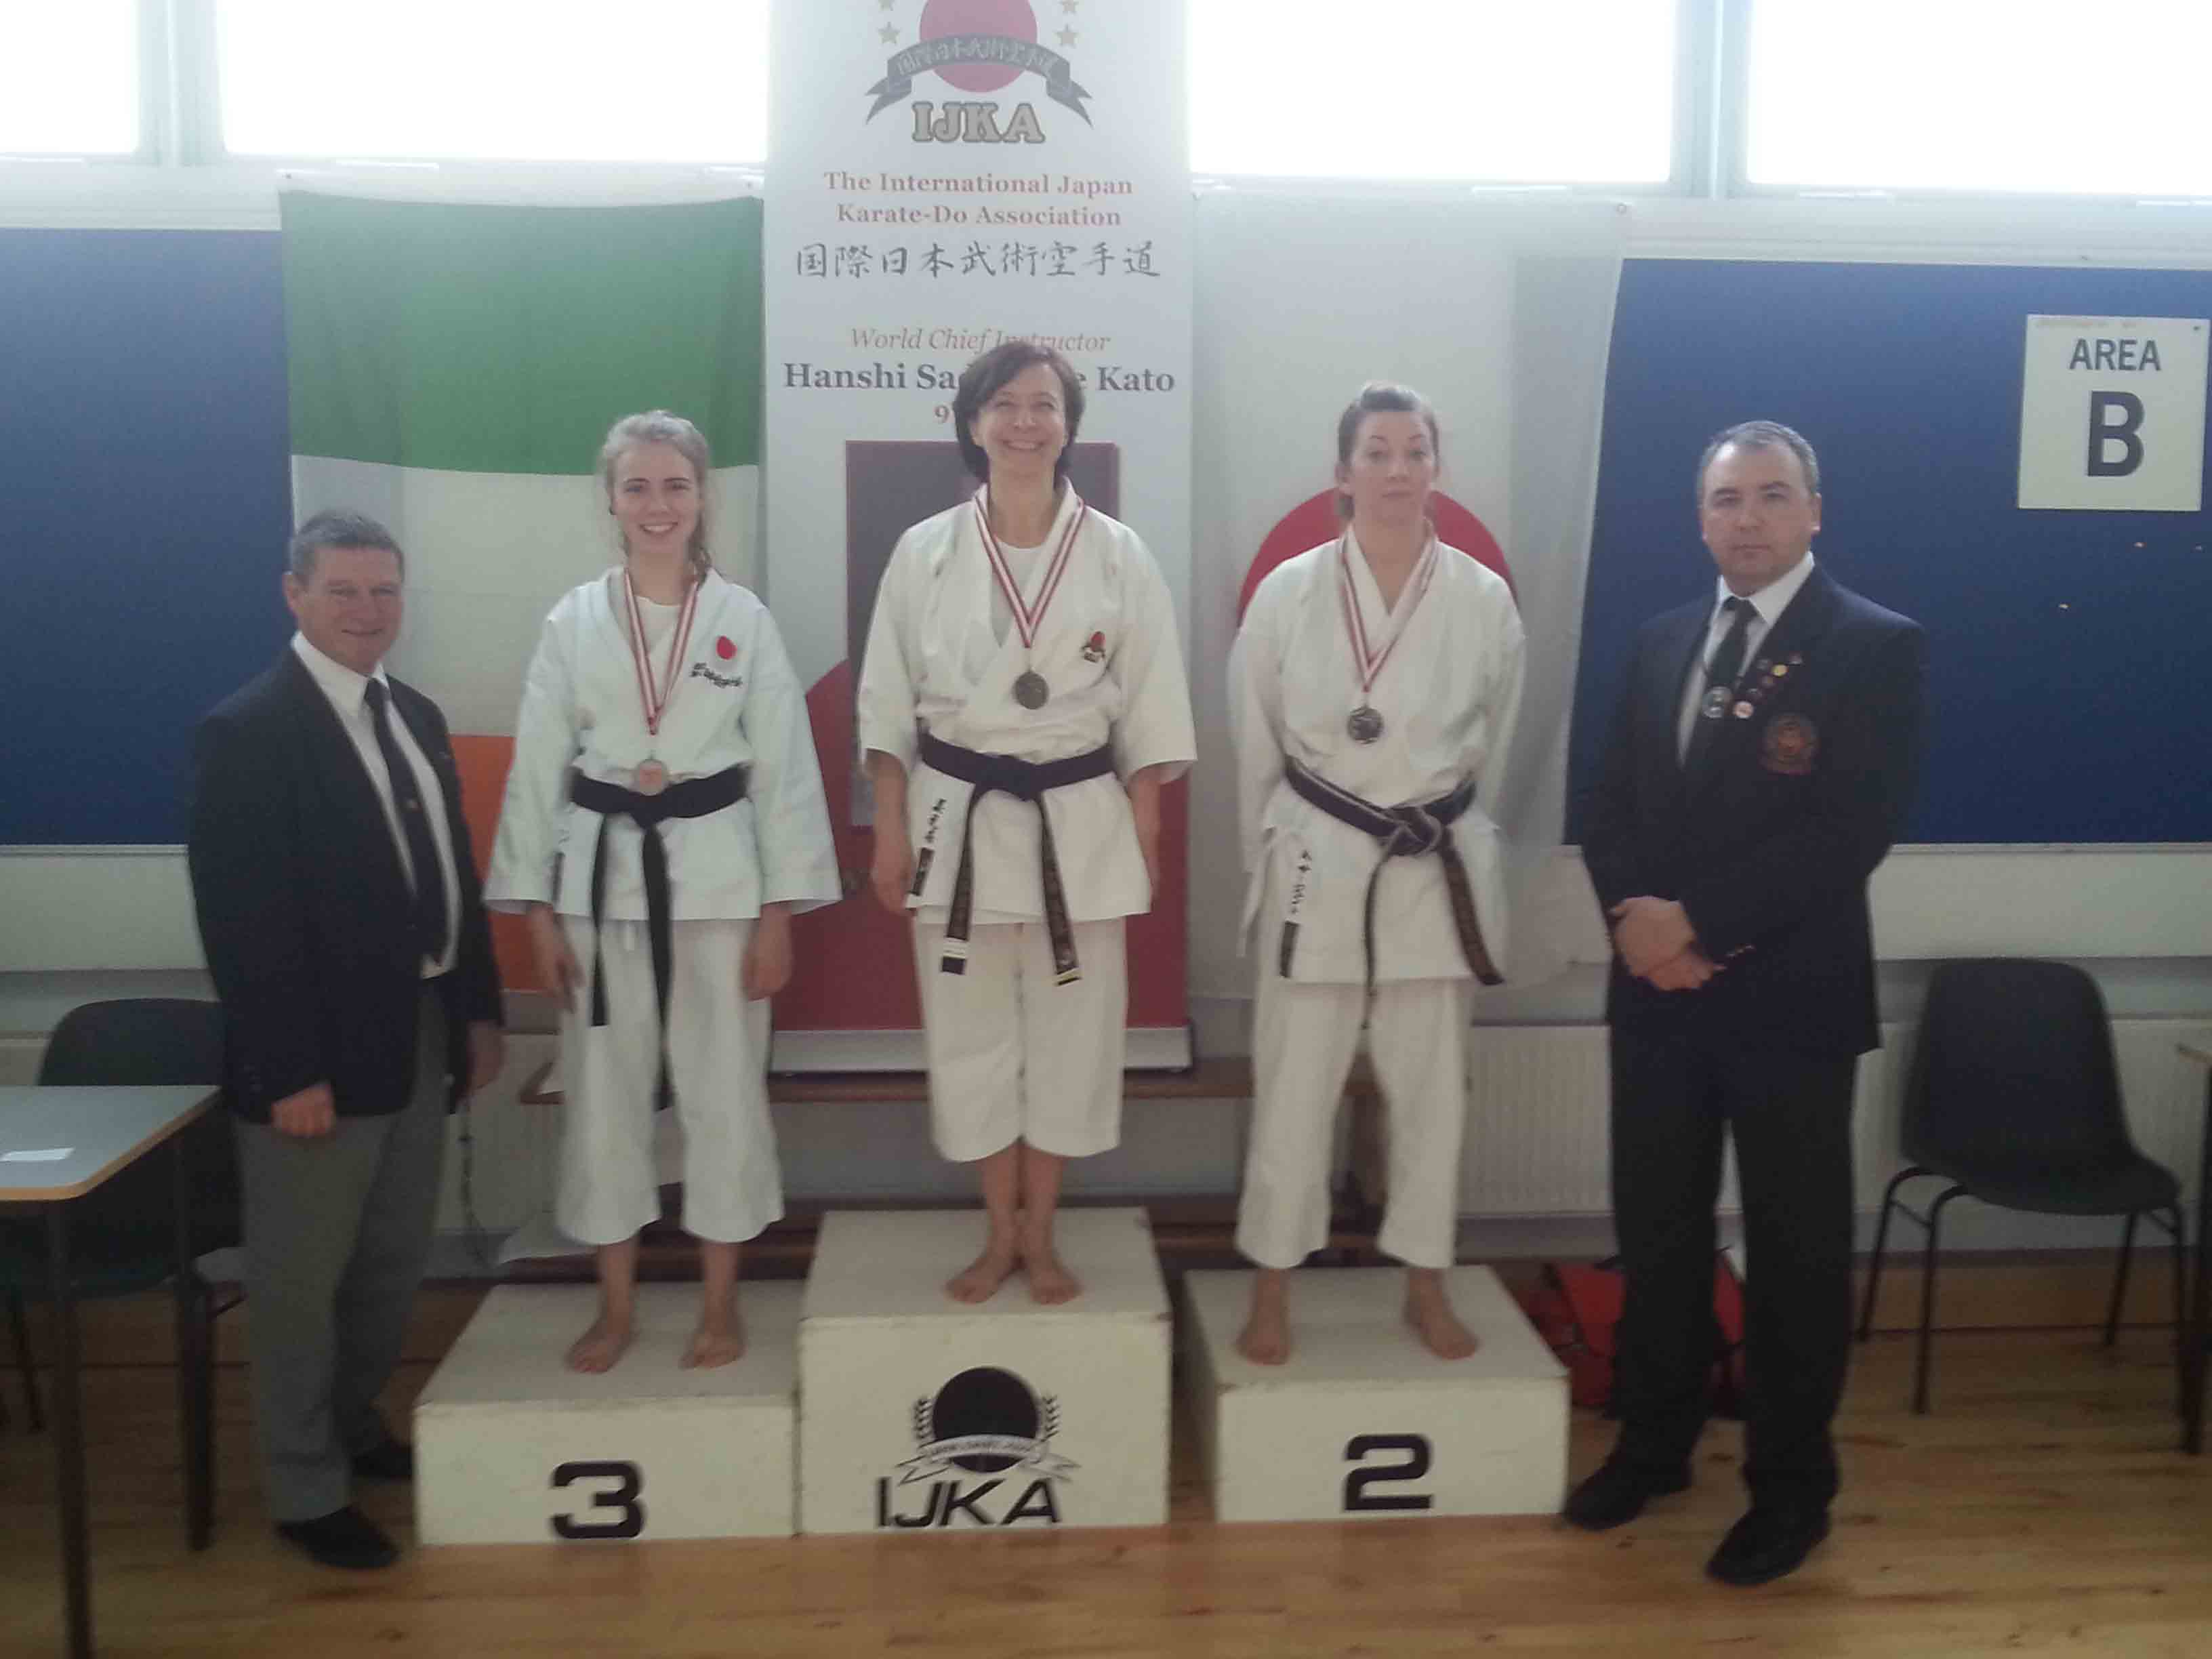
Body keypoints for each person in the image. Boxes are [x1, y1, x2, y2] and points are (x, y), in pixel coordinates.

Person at [1569, 420, 1923, 1586]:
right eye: (1728, 499)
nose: (1750, 518)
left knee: (1795, 1256)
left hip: (1789, 1003)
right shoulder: (1663, 640)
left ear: (1815, 510)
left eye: (1774, 496)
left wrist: (1699, 927)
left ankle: (1791, 1490)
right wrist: (1639, 925)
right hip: (1658, 999)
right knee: (1658, 1236)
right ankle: (1654, 1444)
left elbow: (1848, 833)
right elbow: (1610, 804)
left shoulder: (1872, 645)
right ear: (1701, 517)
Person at [485, 411, 838, 1373]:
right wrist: (536, 909)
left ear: (702, 497)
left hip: (719, 885)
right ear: (610, 500)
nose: (657, 504)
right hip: (601, 886)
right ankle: (615, 1307)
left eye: (675, 485)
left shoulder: (742, 620)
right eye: (637, 486)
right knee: (603, 1099)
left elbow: (784, 771)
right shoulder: (573, 621)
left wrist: (779, 915)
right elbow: (539, 767)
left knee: (724, 1096)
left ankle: (720, 1304)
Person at [187, 510, 505, 1571]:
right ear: (295, 594)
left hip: (420, 1029)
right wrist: (289, 1070)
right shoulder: (248, 731)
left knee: (389, 1264)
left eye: (384, 591)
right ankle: (304, 1485)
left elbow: (453, 874)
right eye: (343, 591)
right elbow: (242, 921)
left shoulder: (413, 714)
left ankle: (355, 1427)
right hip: (312, 1057)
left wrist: (478, 1010)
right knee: (300, 1282)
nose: (368, 611)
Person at [857, 340, 1195, 1305]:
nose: (1024, 422)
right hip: (955, 818)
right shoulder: (924, 552)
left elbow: (1151, 706)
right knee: (969, 1042)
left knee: (1070, 1044)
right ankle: (995, 1231)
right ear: (973, 424)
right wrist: (889, 828)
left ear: (1068, 424)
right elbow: (886, 704)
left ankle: (1041, 1234)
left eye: (1044, 404)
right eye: (1004, 404)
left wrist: (1145, 832)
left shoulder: (1119, 554)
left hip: (1077, 822)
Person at [1227, 382, 1525, 1366]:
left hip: (1431, 865)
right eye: (1378, 452)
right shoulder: (1289, 594)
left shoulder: (1483, 600)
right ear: (1342, 473)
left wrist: (1457, 837)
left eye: (1415, 451)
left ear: (1438, 468)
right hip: (1316, 858)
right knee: (1293, 1085)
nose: (1398, 470)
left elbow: (1496, 755)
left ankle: (1426, 1282)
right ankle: (1272, 1284)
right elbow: (1255, 750)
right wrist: (1272, 864)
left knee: (1433, 1095)